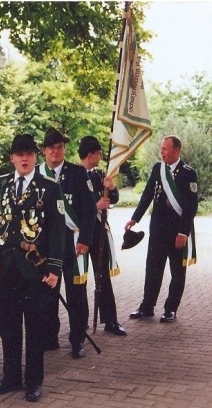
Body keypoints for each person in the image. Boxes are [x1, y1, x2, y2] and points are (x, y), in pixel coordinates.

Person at [0, 133, 66, 402]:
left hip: (35, 270)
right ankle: (10, 377)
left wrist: (54, 268)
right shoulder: (1, 186)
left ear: (36, 157)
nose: (25, 158)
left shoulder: (49, 187)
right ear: (12, 158)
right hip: (5, 270)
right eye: (19, 154)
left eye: (29, 153)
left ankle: (33, 381)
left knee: (35, 327)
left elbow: (57, 232)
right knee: (8, 325)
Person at [125, 135, 198, 323]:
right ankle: (147, 306)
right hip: (157, 230)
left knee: (177, 272)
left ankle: (170, 309)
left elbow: (191, 207)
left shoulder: (188, 173)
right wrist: (135, 218)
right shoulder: (158, 169)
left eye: (165, 149)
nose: (162, 152)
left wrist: (183, 232)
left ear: (176, 151)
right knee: (153, 270)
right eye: (161, 148)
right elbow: (148, 194)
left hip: (177, 233)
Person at [38, 127, 97, 359]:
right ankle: (50, 337)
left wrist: (85, 240)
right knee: (47, 293)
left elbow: (90, 210)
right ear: (44, 151)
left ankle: (77, 339)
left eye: (60, 147)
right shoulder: (37, 174)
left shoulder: (78, 173)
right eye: (51, 147)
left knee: (76, 294)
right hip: (46, 247)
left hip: (73, 245)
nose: (56, 151)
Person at [78, 136, 126, 336]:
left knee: (102, 277)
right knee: (78, 279)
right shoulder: (75, 175)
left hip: (98, 232)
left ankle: (110, 320)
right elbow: (71, 205)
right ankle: (80, 321)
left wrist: (112, 188)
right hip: (79, 233)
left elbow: (113, 198)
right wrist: (94, 206)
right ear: (90, 155)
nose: (100, 157)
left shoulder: (99, 176)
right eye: (98, 153)